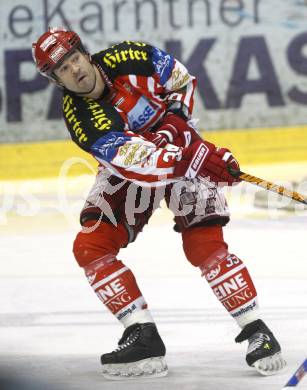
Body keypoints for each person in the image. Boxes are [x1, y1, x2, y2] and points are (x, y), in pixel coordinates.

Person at [32, 27, 286, 380]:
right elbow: (135, 161)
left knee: (204, 245)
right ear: (56, 80)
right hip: (134, 173)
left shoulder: (128, 57)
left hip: (182, 153)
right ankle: (142, 334)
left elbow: (181, 78)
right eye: (62, 69)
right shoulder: (82, 117)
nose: (74, 70)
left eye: (74, 58)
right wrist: (191, 156)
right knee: (91, 245)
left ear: (84, 53)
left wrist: (178, 123)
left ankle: (258, 330)